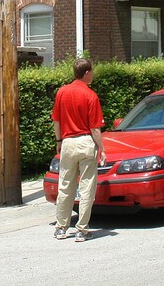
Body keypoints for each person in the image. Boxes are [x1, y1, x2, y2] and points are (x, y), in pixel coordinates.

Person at [51, 57, 105, 242]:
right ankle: (82, 229)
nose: (93, 74)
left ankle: (61, 227)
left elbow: (56, 120)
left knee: (65, 185)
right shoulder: (91, 95)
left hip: (67, 142)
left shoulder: (62, 92)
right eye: (92, 71)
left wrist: (59, 140)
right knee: (87, 186)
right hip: (85, 141)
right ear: (87, 73)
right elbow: (95, 128)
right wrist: (102, 148)